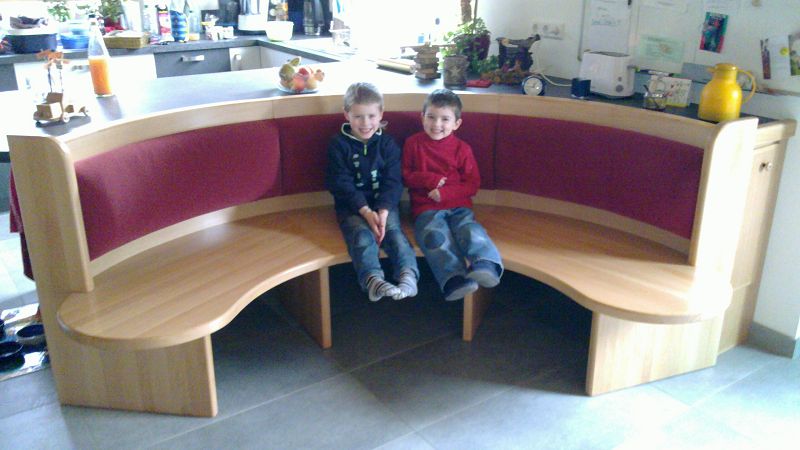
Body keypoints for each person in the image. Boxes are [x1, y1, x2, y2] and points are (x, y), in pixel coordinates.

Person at [402, 89, 503, 301]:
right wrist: (429, 180)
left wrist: (445, 193)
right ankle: (453, 279)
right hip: (426, 208)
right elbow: (405, 176)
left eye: (445, 119)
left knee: (469, 230)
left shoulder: (462, 149)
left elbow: (472, 184)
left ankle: (487, 264)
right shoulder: (413, 143)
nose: (436, 124)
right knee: (434, 236)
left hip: (459, 206)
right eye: (431, 117)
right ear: (422, 117)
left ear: (457, 123)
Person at [326, 82, 419, 302]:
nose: (365, 123)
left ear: (381, 114)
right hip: (352, 207)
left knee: (395, 234)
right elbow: (341, 183)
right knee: (361, 237)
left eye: (371, 116)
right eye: (358, 116)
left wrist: (383, 211)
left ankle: (408, 276)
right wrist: (366, 211)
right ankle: (372, 280)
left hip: (384, 205)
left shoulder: (387, 144)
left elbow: (394, 181)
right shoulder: (338, 145)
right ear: (346, 115)